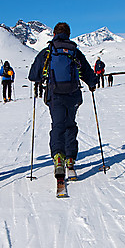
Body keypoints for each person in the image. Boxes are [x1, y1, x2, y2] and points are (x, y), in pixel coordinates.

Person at [28, 22, 98, 178]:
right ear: (68, 34)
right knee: (70, 124)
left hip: (55, 95)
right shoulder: (74, 51)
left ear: (54, 34)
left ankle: (58, 156)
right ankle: (70, 157)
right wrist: (92, 84)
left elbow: (33, 75)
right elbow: (86, 71)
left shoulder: (48, 51)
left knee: (58, 125)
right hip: (73, 95)